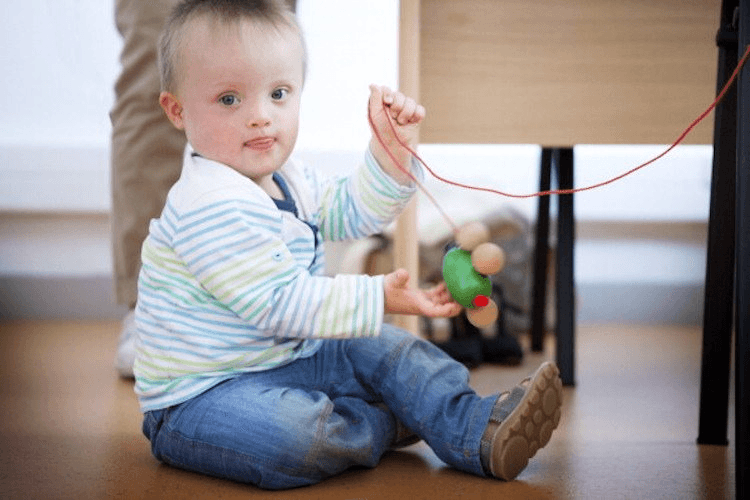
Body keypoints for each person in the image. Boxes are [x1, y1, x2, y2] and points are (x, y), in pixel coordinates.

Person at [134, 0, 563, 489]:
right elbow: (278, 302)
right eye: (229, 100)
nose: (260, 117)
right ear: (177, 110)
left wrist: (389, 154)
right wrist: (377, 296)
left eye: (278, 94)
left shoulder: (286, 177)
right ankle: (393, 419)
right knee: (294, 437)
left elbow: (350, 210)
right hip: (203, 397)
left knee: (395, 351)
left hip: (293, 357)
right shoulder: (206, 203)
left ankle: (476, 429)